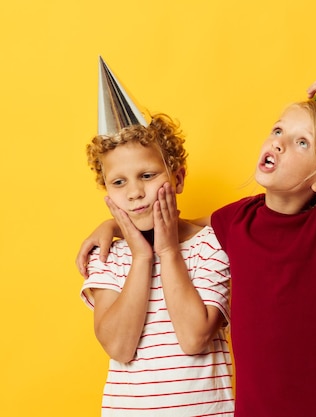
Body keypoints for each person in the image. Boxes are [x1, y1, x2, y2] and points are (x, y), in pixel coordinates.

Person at [77, 57, 316, 417]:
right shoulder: (236, 220)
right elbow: (177, 224)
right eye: (278, 131)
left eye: (301, 142)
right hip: (255, 410)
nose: (280, 144)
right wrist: (115, 226)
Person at [80, 58, 234, 416]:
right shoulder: (108, 257)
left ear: (177, 179)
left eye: (147, 175)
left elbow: (194, 337)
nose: (134, 193)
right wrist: (141, 257)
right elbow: (118, 346)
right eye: (119, 182)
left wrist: (166, 251)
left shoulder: (212, 245)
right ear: (107, 190)